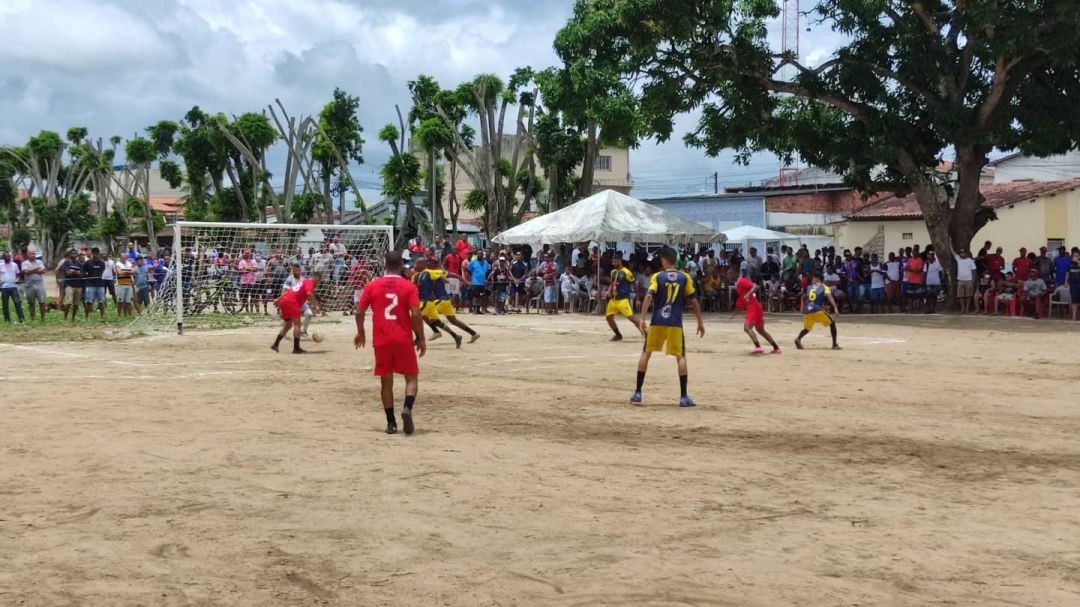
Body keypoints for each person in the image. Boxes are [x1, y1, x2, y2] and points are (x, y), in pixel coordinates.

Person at [355, 251, 426, 435]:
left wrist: (361, 332)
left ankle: (391, 422)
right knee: (411, 378)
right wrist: (420, 337)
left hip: (381, 339)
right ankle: (407, 408)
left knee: (386, 382)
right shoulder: (408, 286)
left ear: (384, 263)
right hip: (403, 338)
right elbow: (416, 314)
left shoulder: (372, 285)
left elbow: (359, 311)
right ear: (402, 264)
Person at [631, 247, 705, 407]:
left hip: (657, 321)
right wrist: (700, 321)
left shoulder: (658, 276)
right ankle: (683, 397)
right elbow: (693, 301)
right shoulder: (684, 277)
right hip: (675, 323)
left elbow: (649, 296)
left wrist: (642, 318)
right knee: (681, 357)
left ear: (664, 260)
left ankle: (638, 392)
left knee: (646, 353)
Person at [421, 257, 480, 346]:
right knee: (453, 321)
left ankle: (436, 331)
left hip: (441, 300)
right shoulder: (430, 272)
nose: (428, 263)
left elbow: (456, 275)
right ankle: (473, 333)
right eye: (427, 261)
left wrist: (466, 282)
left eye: (430, 262)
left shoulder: (436, 271)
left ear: (435, 264)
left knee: (424, 314)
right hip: (445, 300)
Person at [272, 270, 320, 354]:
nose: (318, 283)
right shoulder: (310, 282)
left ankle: (275, 345)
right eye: (318, 281)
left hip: (284, 301)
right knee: (297, 324)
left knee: (288, 325)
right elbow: (309, 293)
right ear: (316, 278)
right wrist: (315, 305)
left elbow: (289, 291)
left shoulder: (303, 281)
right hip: (292, 302)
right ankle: (296, 348)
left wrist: (278, 300)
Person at [735, 268, 780, 354]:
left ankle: (758, 347)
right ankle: (776, 347)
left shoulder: (742, 281)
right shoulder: (739, 283)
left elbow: (755, 286)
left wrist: (748, 294)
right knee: (761, 330)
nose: (728, 275)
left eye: (730, 273)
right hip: (756, 307)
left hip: (753, 307)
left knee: (747, 328)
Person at [795, 273, 840, 351]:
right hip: (817, 311)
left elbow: (807, 298)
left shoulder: (809, 287)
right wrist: (835, 308)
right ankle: (834, 344)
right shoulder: (825, 287)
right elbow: (830, 297)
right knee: (832, 323)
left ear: (818, 279)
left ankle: (798, 339)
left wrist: (802, 308)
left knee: (807, 328)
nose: (812, 280)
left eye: (813, 278)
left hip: (806, 312)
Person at [606, 252, 643, 341]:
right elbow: (612, 283)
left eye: (615, 261)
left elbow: (634, 285)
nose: (613, 263)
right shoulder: (613, 272)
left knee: (632, 318)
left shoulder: (626, 272)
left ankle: (645, 332)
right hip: (613, 299)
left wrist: (637, 299)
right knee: (609, 318)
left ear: (620, 261)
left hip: (623, 299)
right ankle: (618, 334)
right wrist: (609, 291)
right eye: (612, 261)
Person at [20, 248, 47, 321]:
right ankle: (32, 318)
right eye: (31, 254)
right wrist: (37, 269)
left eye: (34, 254)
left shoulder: (39, 261)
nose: (33, 255)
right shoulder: (24, 263)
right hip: (29, 286)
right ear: (27, 255)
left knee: (42, 302)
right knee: (31, 303)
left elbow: (44, 271)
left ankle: (43, 318)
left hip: (40, 285)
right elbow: (26, 271)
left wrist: (31, 270)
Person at [82, 247, 107, 320]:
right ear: (92, 253)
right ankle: (87, 317)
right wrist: (87, 278)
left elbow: (102, 272)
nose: (96, 254)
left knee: (101, 302)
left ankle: (102, 317)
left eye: (97, 253)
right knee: (89, 302)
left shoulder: (102, 263)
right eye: (94, 253)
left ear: (99, 253)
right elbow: (84, 273)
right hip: (90, 285)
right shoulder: (87, 263)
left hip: (100, 285)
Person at [60, 250, 84, 321]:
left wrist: (74, 272)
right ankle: (65, 318)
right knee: (69, 302)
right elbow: (68, 273)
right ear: (70, 254)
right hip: (69, 285)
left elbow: (82, 274)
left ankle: (73, 318)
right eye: (73, 253)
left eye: (75, 253)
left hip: (78, 285)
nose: (74, 255)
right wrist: (76, 273)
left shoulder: (79, 264)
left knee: (76, 304)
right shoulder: (67, 262)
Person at [1, 252, 25, 323]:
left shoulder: (14, 265)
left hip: (13, 286)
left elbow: (18, 274)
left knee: (17, 302)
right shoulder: (1, 265)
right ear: (4, 258)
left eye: (9, 256)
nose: (8, 258)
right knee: (5, 304)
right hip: (4, 287)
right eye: (6, 257)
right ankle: (7, 320)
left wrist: (17, 279)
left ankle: (21, 319)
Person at [955, 249, 978, 314]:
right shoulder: (958, 259)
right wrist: (950, 243)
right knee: (960, 295)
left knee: (968, 295)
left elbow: (974, 270)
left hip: (969, 280)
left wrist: (973, 278)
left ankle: (967, 308)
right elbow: (953, 252)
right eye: (961, 253)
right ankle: (963, 308)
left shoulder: (970, 261)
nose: (962, 254)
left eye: (963, 253)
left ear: (966, 253)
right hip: (960, 280)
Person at [1069, 250, 1080, 321]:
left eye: (1077, 256)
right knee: (1074, 301)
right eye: (1074, 256)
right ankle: (1074, 316)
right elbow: (1068, 272)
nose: (1075, 257)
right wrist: (1066, 282)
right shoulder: (1070, 264)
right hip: (1073, 284)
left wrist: (1078, 262)